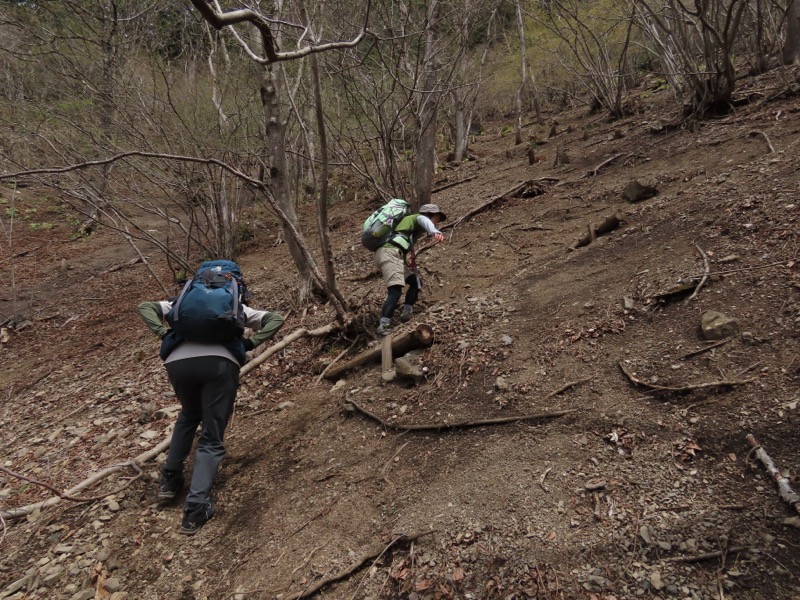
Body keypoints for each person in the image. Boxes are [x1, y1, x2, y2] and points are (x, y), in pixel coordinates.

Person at [137, 272, 284, 535]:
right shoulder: (236, 306)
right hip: (219, 363)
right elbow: (276, 318)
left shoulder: (180, 303)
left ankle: (170, 481)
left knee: (189, 415)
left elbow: (145, 307)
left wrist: (163, 335)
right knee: (212, 435)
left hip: (177, 363)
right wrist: (249, 343)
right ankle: (195, 507)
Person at [375, 203, 446, 335]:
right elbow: (423, 219)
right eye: (436, 218)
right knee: (395, 290)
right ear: (429, 215)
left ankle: (406, 313)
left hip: (393, 254)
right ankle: (383, 325)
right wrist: (434, 231)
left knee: (416, 282)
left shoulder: (410, 226)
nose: (437, 222)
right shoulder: (418, 218)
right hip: (389, 253)